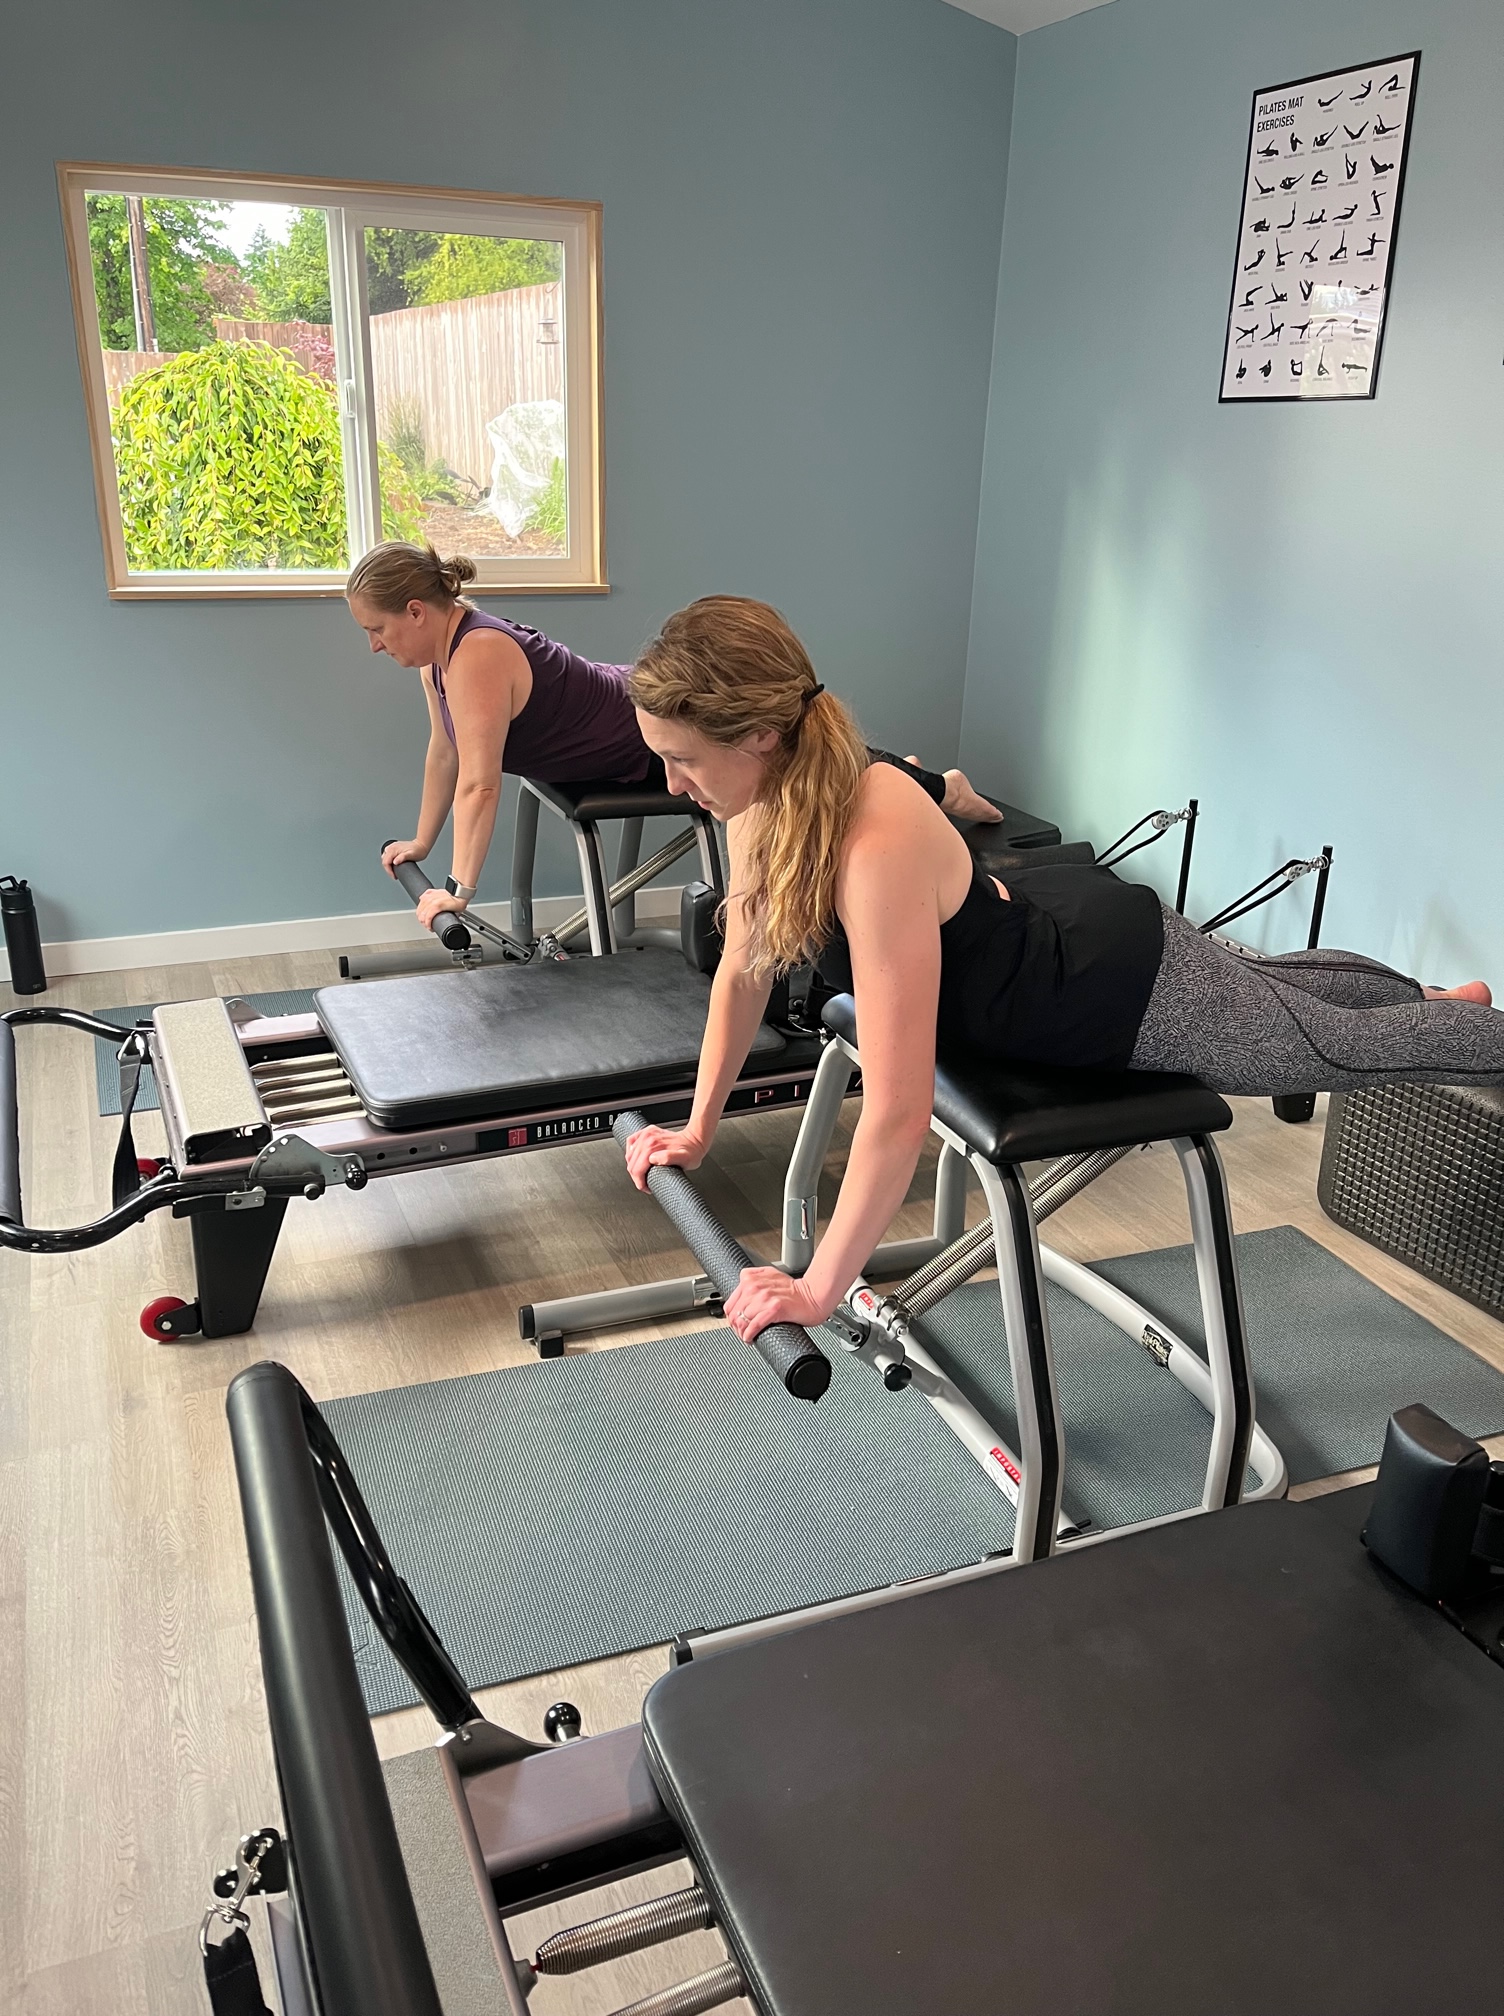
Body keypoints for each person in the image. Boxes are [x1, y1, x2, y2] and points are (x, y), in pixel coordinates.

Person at [621, 596, 1502, 1347]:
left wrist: (819, 1287)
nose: (671, 783)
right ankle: (1436, 1000)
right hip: (1066, 934)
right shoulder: (764, 803)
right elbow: (742, 973)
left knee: (1335, 1049)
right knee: (1286, 989)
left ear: (762, 734)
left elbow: (896, 1108)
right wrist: (697, 1128)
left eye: (683, 758)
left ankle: (1467, 1030)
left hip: (1124, 993)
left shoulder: (871, 841)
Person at [346, 541, 1001, 931]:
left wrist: (458, 891)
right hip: (618, 723)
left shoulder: (477, 655)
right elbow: (445, 752)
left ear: (416, 611)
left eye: (376, 629)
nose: (374, 646)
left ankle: (932, 785)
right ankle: (918, 777)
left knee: (790, 759)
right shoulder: (436, 661)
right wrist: (422, 841)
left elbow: (480, 783)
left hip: (638, 734)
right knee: (792, 755)